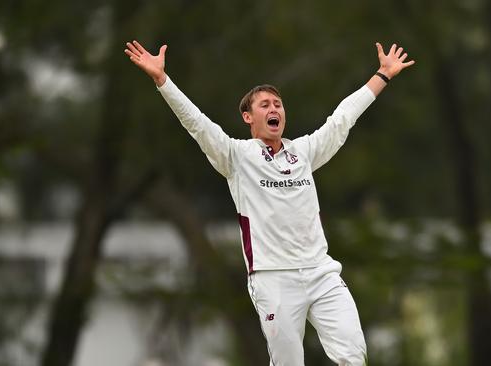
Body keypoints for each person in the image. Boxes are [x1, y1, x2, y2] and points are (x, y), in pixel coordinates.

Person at [125, 39, 414, 366]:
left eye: (278, 104)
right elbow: (197, 124)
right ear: (248, 117)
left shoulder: (303, 152)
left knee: (353, 355)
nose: (274, 109)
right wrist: (162, 81)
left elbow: (342, 118)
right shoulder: (235, 156)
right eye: (264, 105)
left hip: (321, 271)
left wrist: (383, 75)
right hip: (274, 277)